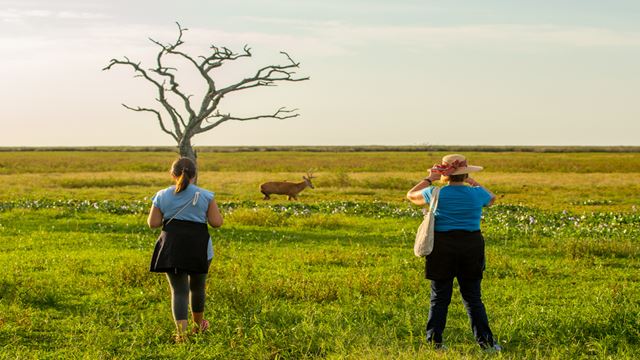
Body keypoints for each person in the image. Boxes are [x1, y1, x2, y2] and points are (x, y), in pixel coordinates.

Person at [406, 154, 501, 351]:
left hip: (442, 247)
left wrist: (430, 178)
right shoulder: (477, 194)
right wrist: (472, 181)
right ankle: (487, 344)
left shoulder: (434, 192)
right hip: (471, 246)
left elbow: (410, 195)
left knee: (439, 298)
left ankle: (434, 343)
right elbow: (491, 198)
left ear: (445, 174)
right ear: (465, 174)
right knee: (473, 298)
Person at [147, 157, 223, 342]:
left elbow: (153, 223)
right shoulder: (206, 196)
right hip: (200, 248)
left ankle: (181, 335)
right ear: (195, 174)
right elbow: (216, 223)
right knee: (198, 289)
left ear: (172, 174)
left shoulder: (162, 195)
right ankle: (198, 328)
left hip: (172, 248)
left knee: (179, 291)